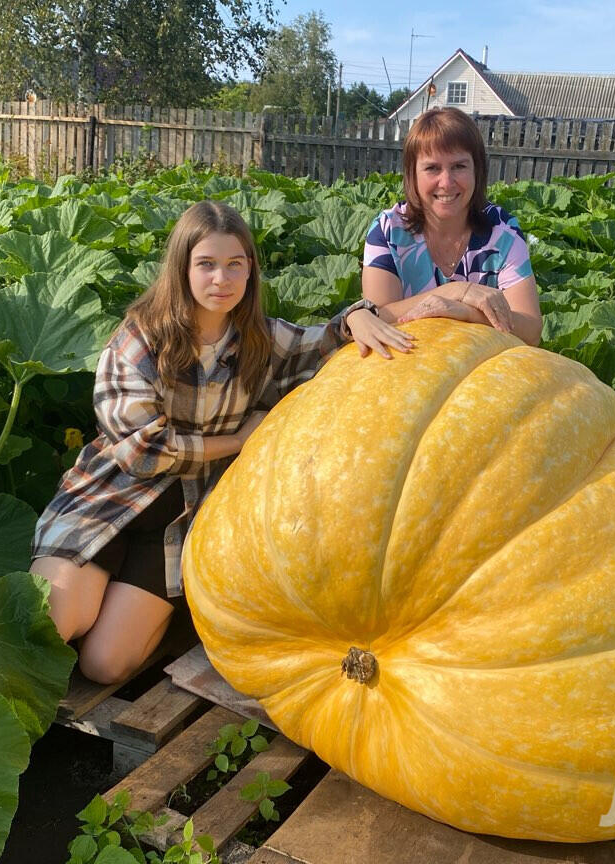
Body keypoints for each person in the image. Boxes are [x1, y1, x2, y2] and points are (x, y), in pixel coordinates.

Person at [30, 200, 413, 685]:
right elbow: (142, 452)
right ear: (182, 268)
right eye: (206, 264)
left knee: (105, 666)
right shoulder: (141, 339)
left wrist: (358, 316)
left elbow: (327, 341)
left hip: (181, 520)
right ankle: (89, 591)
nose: (222, 279)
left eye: (235, 265)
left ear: (250, 270)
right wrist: (238, 439)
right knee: (54, 622)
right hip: (110, 497)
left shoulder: (259, 340)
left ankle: (120, 596)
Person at [362, 107, 543, 346]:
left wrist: (467, 313)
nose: (446, 182)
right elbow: (376, 318)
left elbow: (531, 331)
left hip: (482, 370)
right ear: (412, 174)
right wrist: (455, 291)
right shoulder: (387, 230)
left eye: (459, 166)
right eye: (432, 168)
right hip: (408, 361)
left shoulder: (503, 232)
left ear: (477, 170)